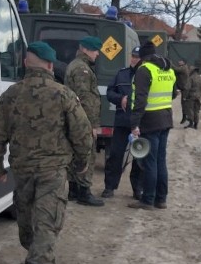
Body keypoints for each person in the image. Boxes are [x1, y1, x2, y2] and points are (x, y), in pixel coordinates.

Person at [0, 41, 93, 264]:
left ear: (25, 63)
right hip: (53, 170)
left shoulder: (11, 94)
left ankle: (31, 255)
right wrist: (82, 162)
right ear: (49, 65)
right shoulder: (63, 94)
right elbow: (82, 133)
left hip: (22, 168)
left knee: (26, 212)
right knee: (47, 218)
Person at [127, 41, 177, 210]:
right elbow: (174, 93)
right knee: (160, 161)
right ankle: (161, 199)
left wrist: (134, 123)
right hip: (166, 119)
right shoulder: (168, 69)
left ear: (142, 57)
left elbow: (140, 100)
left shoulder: (144, 70)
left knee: (150, 162)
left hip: (150, 121)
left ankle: (147, 200)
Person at [64, 36, 105, 207]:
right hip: (83, 120)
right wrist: (93, 125)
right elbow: (85, 98)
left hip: (75, 119)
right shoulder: (82, 69)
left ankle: (73, 190)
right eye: (96, 50)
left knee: (75, 154)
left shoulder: (75, 65)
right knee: (87, 154)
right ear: (86, 50)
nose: (97, 54)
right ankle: (84, 192)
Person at [102, 46, 144, 199]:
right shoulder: (121, 74)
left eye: (137, 57)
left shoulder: (145, 74)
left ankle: (137, 189)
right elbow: (109, 92)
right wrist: (121, 99)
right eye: (133, 56)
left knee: (139, 158)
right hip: (122, 121)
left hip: (139, 124)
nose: (134, 59)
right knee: (115, 156)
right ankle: (110, 187)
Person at [185, 64, 201, 129]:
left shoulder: (191, 78)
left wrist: (185, 96)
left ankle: (191, 123)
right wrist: (200, 95)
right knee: (196, 110)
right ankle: (196, 124)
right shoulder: (200, 78)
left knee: (190, 110)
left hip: (191, 96)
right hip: (198, 97)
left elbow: (187, 88)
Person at [173, 59, 190, 124]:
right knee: (184, 103)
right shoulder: (183, 67)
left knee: (184, 103)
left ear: (183, 62)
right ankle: (186, 117)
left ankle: (185, 117)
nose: (179, 62)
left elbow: (176, 69)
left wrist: (170, 63)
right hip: (183, 88)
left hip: (185, 88)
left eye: (180, 61)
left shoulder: (183, 68)